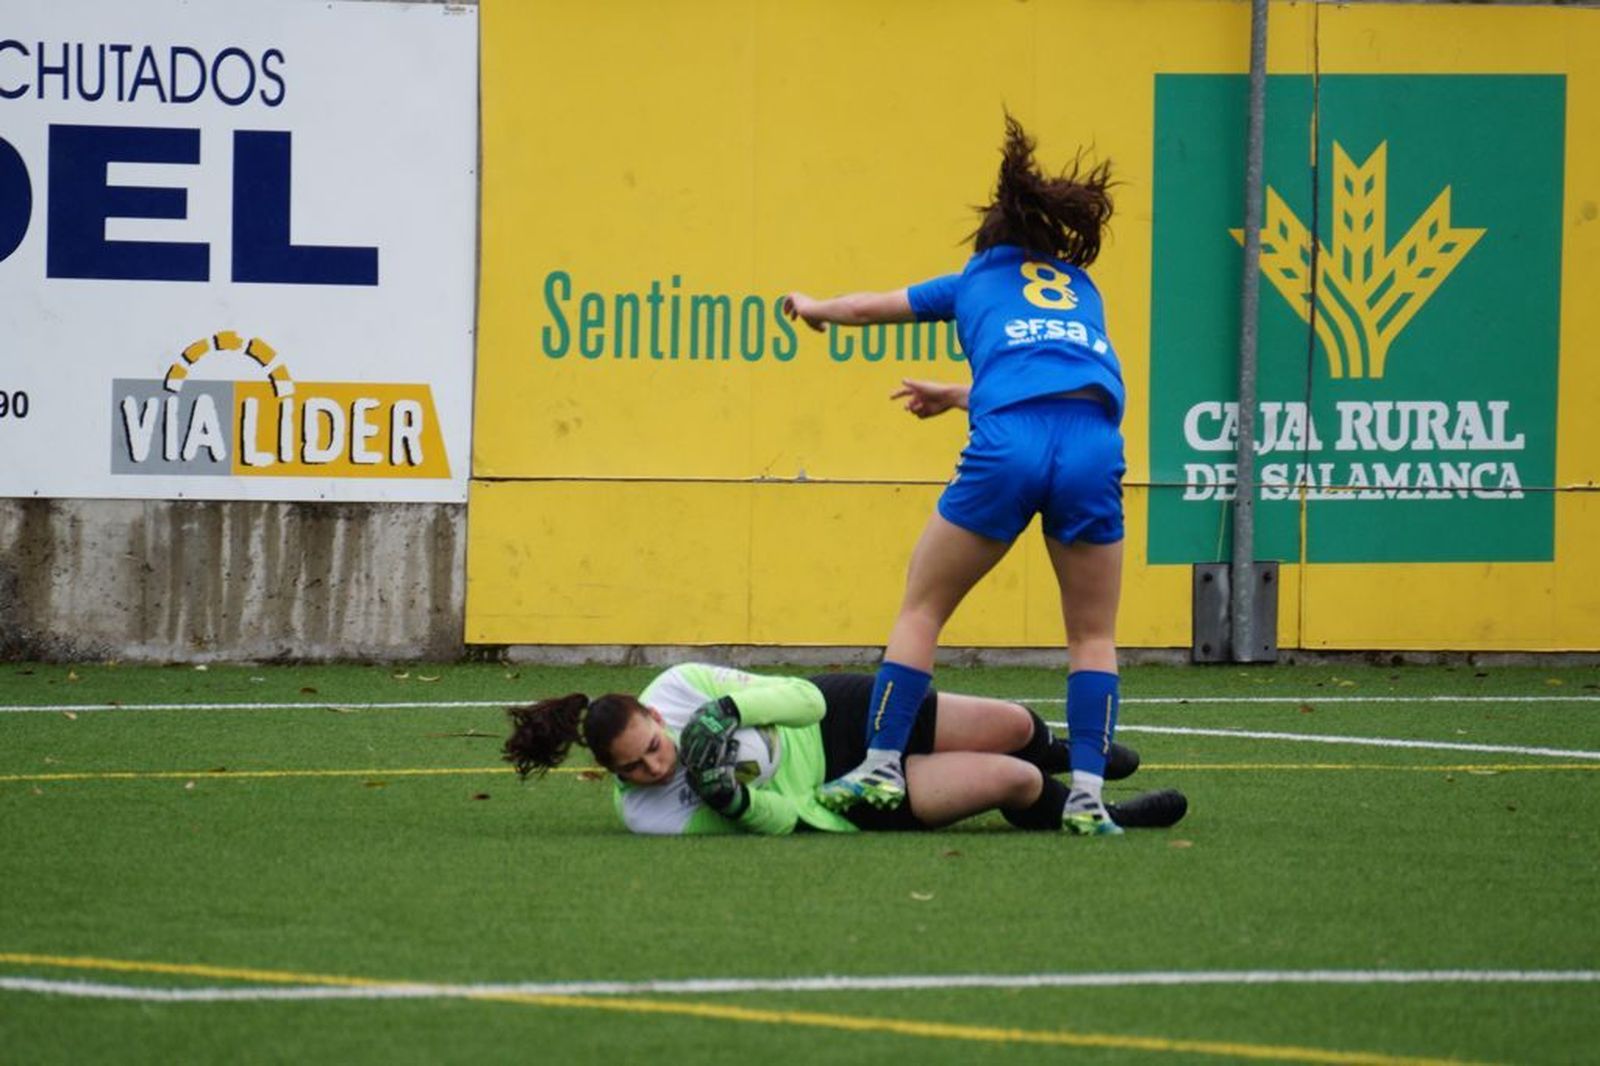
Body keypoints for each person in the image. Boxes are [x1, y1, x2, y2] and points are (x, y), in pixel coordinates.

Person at [781, 115, 1129, 834]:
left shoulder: (974, 278)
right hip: (1093, 443)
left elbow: (866, 307)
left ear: (987, 242)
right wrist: (958, 393)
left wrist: (813, 308)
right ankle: (1089, 797)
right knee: (1092, 637)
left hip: (1008, 445)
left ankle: (881, 766)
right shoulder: (1081, 287)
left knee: (923, 610)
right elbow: (1050, 378)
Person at [503, 662, 1186, 836]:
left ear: (657, 715)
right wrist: (734, 801)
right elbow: (785, 821)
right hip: (833, 797)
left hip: (840, 717)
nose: (656, 766)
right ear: (611, 774)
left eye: (654, 746)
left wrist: (728, 711)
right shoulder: (643, 814)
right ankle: (1099, 811)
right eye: (634, 767)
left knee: (1012, 724)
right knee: (1013, 780)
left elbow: (807, 699)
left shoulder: (681, 687)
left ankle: (1060, 751)